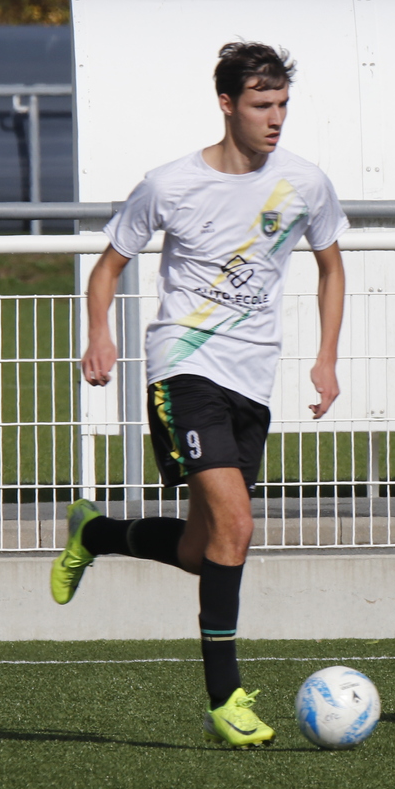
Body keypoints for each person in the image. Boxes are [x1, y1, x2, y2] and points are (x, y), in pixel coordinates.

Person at [51, 41, 348, 748]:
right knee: (236, 527)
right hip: (183, 370)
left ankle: (94, 533)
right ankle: (225, 698)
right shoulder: (170, 184)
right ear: (226, 104)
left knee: (202, 547)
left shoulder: (306, 183)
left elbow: (332, 267)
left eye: (282, 104)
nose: (275, 118)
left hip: (253, 381)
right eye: (261, 104)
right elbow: (107, 267)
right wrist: (99, 334)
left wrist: (326, 358)